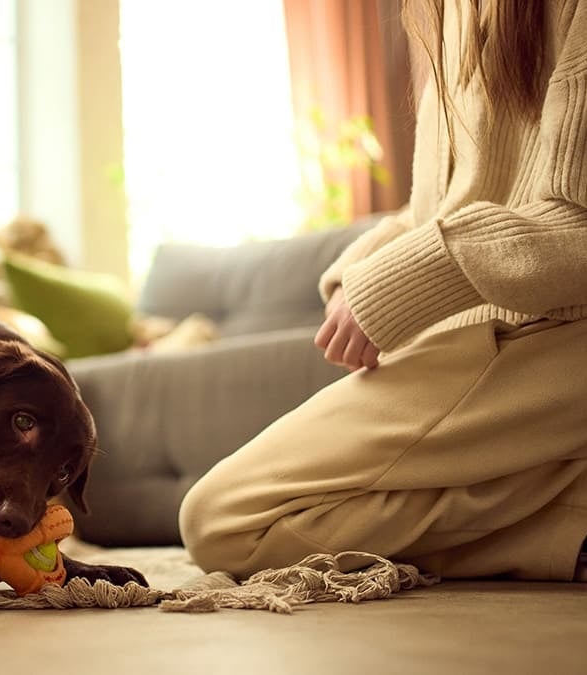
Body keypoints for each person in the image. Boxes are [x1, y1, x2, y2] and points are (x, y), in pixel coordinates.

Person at [178, 0, 587, 582]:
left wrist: (407, 278)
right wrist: (359, 269)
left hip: (553, 337)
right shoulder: (455, 17)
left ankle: (562, 525)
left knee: (225, 522)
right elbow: (447, 203)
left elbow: (578, 221)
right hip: (480, 340)